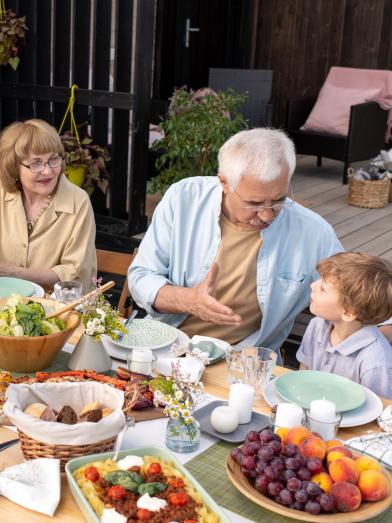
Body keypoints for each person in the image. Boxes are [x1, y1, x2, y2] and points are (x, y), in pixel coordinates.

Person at [128, 128, 347, 360]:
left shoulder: (312, 232)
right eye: (253, 203)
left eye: (278, 200)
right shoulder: (184, 198)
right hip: (164, 346)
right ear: (224, 182)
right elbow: (141, 277)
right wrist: (190, 301)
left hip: (245, 363)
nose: (266, 215)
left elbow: (357, 296)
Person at [0, 119, 97, 292]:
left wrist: (12, 272)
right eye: (36, 163)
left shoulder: (78, 201)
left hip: (57, 311)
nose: (48, 171)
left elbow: (74, 275)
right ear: (15, 167)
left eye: (53, 159)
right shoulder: (2, 192)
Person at [296, 252, 392, 398]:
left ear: (348, 313)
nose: (313, 285)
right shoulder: (317, 326)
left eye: (323, 288)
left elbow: (380, 411)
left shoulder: (375, 362)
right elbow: (303, 374)